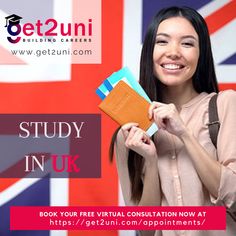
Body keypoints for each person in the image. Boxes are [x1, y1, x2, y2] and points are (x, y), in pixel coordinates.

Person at [109, 6, 236, 236]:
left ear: (201, 53)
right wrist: (149, 159)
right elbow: (144, 230)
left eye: (187, 43)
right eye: (162, 42)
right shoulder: (129, 133)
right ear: (149, 51)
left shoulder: (225, 105)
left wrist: (184, 134)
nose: (174, 52)